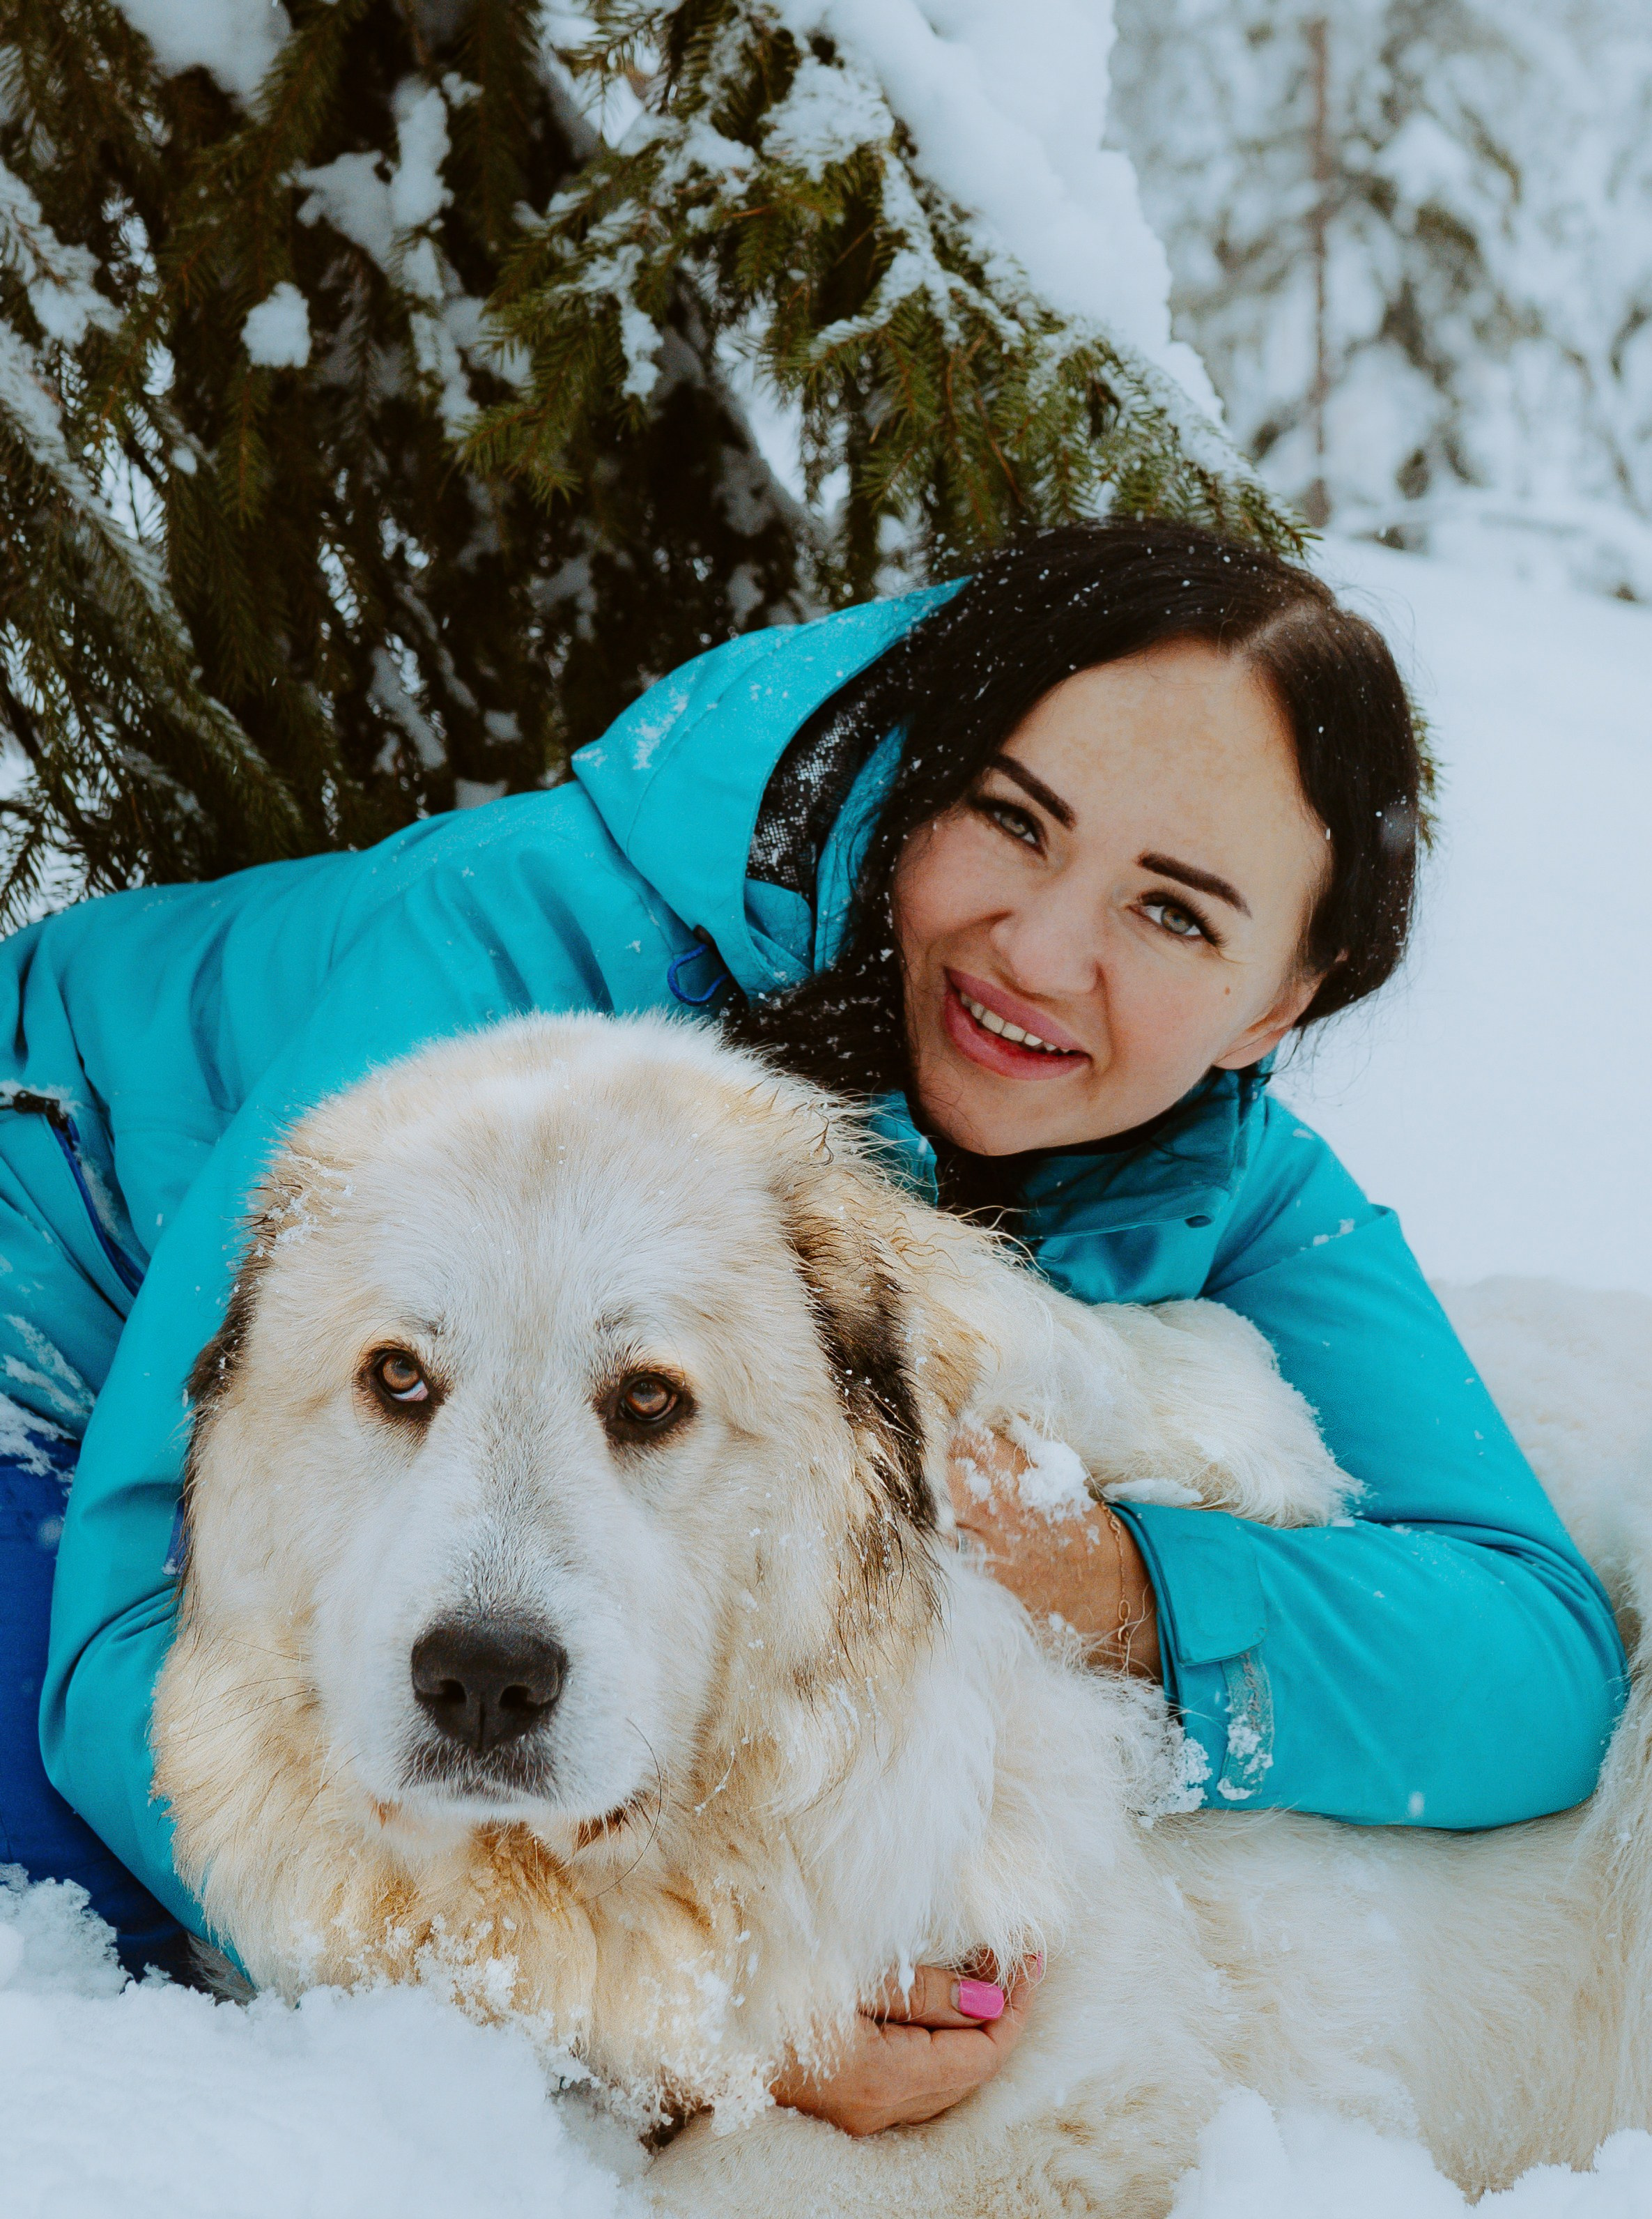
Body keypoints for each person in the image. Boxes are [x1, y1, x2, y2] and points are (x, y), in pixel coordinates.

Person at [0, 525, 1624, 2121]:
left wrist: (1119, 1586)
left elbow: (1531, 1664)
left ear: (1282, 999)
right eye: (1012, 820)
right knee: (121, 1901)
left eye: (1175, 914)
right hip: (45, 1271)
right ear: (916, 772)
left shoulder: (1229, 1181)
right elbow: (128, 1660)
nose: (1043, 951)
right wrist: (677, 2018)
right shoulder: (533, 961)